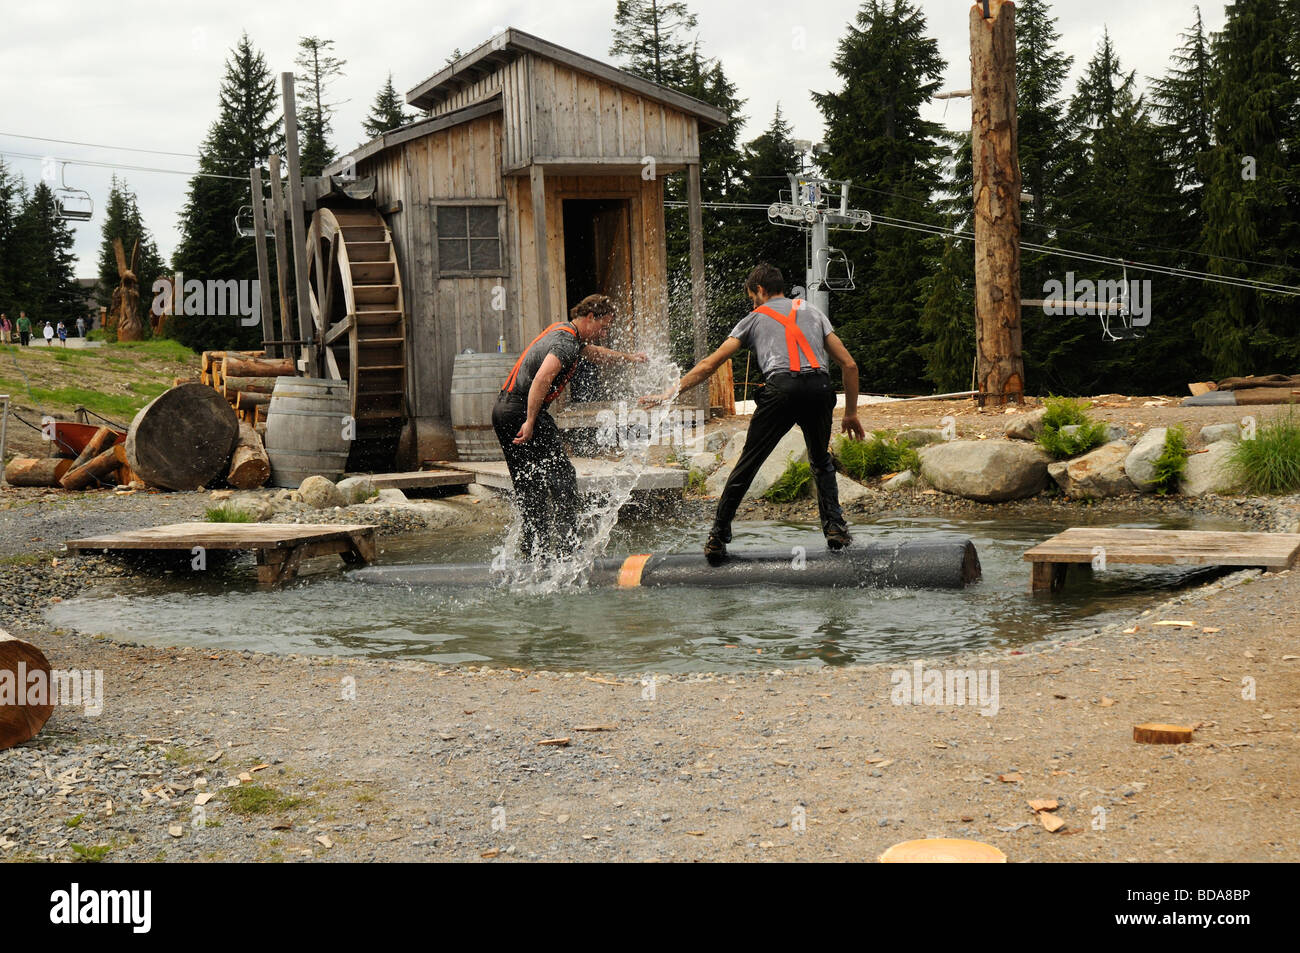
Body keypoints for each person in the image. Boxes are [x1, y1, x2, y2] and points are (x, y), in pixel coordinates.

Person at [642, 263, 866, 564]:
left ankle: (717, 538)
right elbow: (849, 366)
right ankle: (836, 530)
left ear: (760, 290)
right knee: (821, 461)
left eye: (752, 296)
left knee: (747, 465)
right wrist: (850, 412)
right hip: (819, 389)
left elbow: (710, 364)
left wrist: (669, 393)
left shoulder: (753, 319)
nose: (753, 303)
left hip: (781, 391)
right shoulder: (813, 312)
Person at [493, 293, 647, 558]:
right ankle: (567, 550)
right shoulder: (566, 343)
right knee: (562, 477)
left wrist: (630, 358)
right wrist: (530, 421)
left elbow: (597, 355)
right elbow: (542, 379)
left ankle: (533, 555)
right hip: (521, 411)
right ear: (589, 317)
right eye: (604, 325)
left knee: (531, 486)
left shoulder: (565, 333)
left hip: (505, 410)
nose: (605, 331)